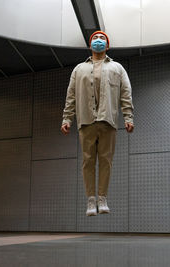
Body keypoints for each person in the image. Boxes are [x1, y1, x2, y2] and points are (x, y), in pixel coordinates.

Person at [60, 31, 134, 216]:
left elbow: (126, 93)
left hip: (108, 120)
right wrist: (67, 118)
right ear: (90, 45)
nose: (98, 41)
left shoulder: (117, 68)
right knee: (88, 161)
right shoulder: (78, 69)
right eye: (95, 39)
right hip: (86, 121)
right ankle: (90, 200)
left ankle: (102, 197)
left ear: (107, 46)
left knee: (106, 161)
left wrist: (128, 117)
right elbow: (71, 95)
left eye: (102, 39)